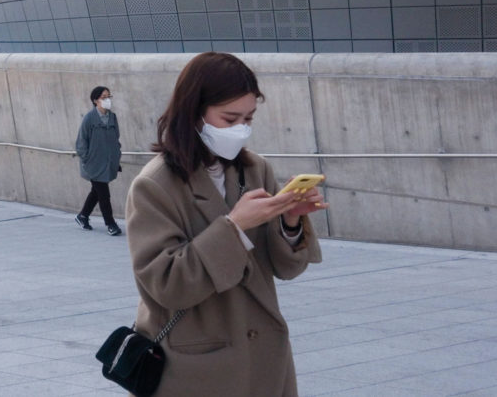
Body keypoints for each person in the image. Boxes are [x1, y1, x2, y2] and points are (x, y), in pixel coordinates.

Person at [126, 52, 326, 396]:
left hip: (264, 357)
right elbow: (166, 284)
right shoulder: (154, 185)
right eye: (229, 118)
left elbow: (285, 269)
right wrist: (233, 227)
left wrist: (290, 222)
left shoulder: (255, 170)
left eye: (249, 118)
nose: (241, 130)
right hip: (198, 368)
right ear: (193, 113)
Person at [75, 85, 123, 236]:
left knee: (96, 191)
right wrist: (87, 159)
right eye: (104, 97)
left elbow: (116, 138)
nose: (107, 100)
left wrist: (116, 155)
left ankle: (82, 216)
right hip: (94, 164)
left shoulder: (112, 117)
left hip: (108, 162)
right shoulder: (89, 119)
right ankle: (110, 224)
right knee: (104, 194)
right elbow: (81, 142)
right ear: (95, 100)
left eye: (109, 97)